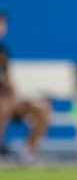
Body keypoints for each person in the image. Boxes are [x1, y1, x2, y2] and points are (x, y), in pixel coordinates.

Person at [0, 11, 51, 163]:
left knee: (42, 108)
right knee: (2, 106)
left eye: (2, 23)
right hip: (2, 103)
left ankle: (28, 153)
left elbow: (8, 81)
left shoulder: (3, 52)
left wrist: (15, 96)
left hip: (9, 101)